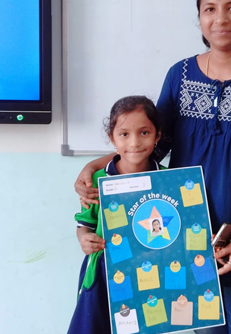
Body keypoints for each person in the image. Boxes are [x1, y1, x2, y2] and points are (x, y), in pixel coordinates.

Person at [75, 0, 231, 334]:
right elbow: (152, 145)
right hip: (190, 249)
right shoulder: (180, 76)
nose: (221, 18)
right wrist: (95, 166)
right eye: (209, 9)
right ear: (199, 18)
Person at [67, 95, 165, 334]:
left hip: (148, 276)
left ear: (157, 136)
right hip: (103, 274)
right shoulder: (97, 180)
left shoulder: (168, 180)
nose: (135, 143)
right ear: (112, 138)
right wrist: (84, 239)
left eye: (144, 132)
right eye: (124, 134)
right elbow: (84, 225)